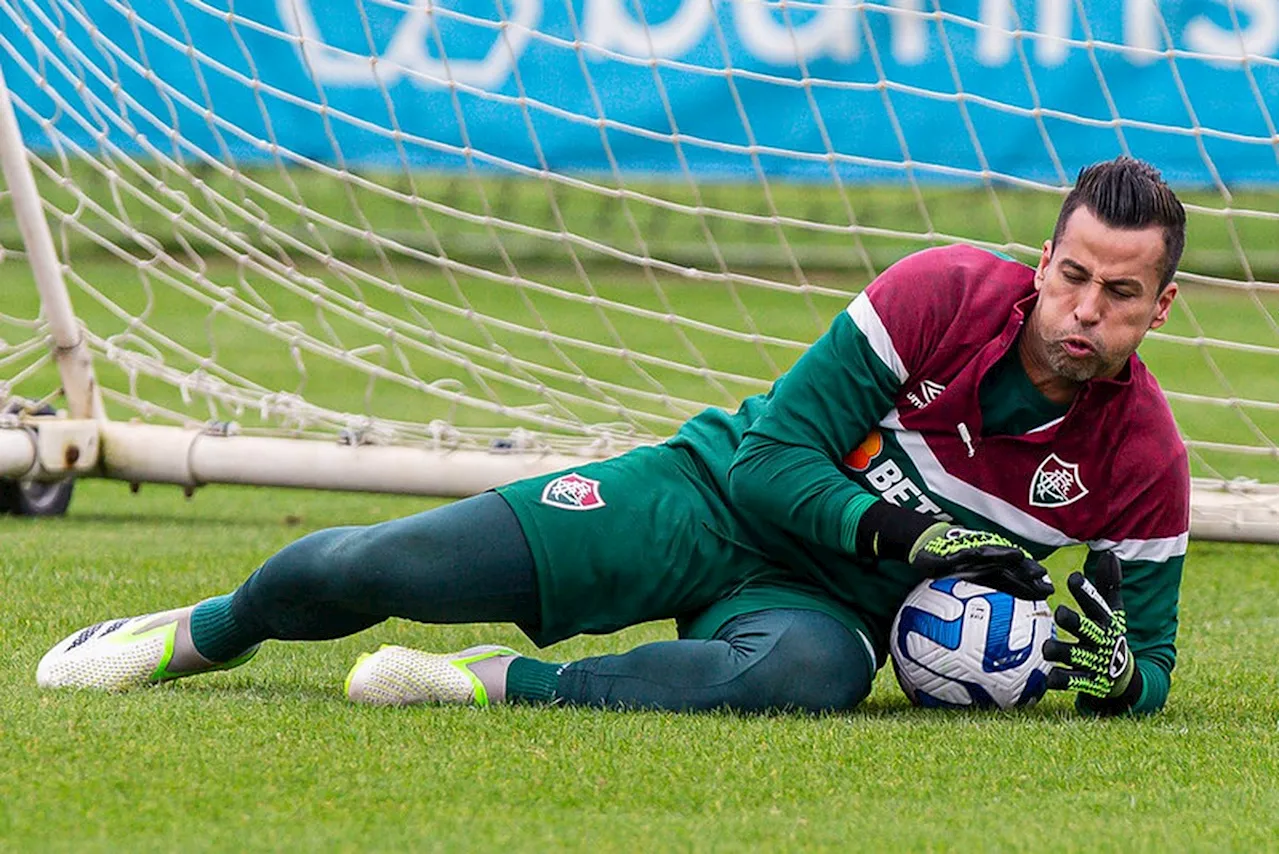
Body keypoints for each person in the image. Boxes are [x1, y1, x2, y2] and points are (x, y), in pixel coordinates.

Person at [38, 157, 1189, 717]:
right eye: (1071, 276)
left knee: (803, 679)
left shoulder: (1143, 460)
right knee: (385, 565)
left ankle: (492, 682)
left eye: (1119, 294)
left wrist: (1115, 673)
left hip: (831, 612)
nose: (1083, 311)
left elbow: (1150, 665)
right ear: (1040, 263)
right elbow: (769, 458)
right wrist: (909, 537)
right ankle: (199, 631)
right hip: (702, 500)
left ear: (1160, 306)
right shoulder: (933, 291)